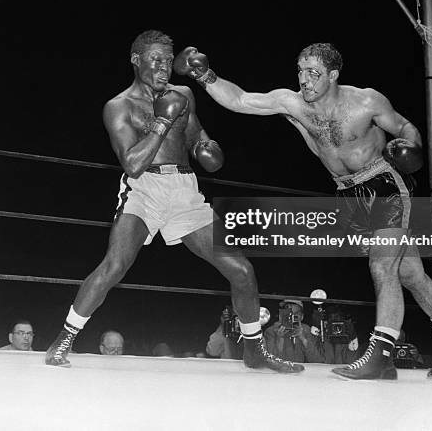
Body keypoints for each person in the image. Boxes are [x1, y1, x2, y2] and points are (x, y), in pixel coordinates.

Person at [174, 42, 432, 380]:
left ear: (333, 75)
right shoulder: (294, 103)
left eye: (313, 73)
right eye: (300, 71)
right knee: (409, 273)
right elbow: (240, 100)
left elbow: (404, 126)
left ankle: (381, 355)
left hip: (383, 182)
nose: (304, 80)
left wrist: (411, 148)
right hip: (347, 193)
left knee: (382, 267)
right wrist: (203, 74)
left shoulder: (366, 101)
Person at [45, 30, 303, 375]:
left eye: (168, 60)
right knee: (114, 266)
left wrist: (206, 149)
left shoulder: (183, 95)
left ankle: (254, 350)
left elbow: (200, 141)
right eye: (155, 59)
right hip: (144, 188)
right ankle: (64, 337)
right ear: (136, 60)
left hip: (184, 189)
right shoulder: (118, 106)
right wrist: (164, 121)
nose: (163, 67)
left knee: (242, 270)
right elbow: (133, 163)